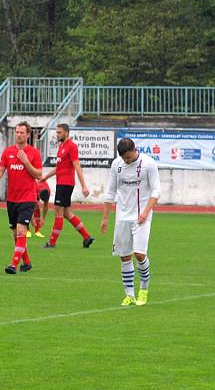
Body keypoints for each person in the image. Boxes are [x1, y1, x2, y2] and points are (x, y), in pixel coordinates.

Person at [100, 138, 161, 306]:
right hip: (122, 217)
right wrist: (105, 218)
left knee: (139, 254)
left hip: (141, 217)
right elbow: (110, 191)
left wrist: (146, 212)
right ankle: (129, 295)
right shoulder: (116, 165)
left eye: (128, 157)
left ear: (135, 150)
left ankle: (144, 289)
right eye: (124, 158)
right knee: (124, 256)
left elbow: (156, 190)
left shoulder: (148, 164)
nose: (126, 161)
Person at [0, 121, 42, 274]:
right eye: (17, 132)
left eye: (22, 132)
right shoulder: (7, 152)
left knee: (22, 231)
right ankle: (27, 262)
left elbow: (38, 174)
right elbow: (0, 171)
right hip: (12, 199)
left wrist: (26, 162)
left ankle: (13, 265)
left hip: (28, 198)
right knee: (16, 234)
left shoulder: (34, 153)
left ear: (28, 135)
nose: (18, 135)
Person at [39, 124, 95, 249]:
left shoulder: (71, 146)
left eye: (59, 132)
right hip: (61, 183)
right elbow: (59, 167)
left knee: (58, 212)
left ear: (66, 133)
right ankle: (87, 237)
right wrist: (46, 177)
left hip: (65, 183)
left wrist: (84, 186)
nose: (57, 134)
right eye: (57, 132)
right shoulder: (61, 147)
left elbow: (77, 166)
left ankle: (52, 243)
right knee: (67, 213)